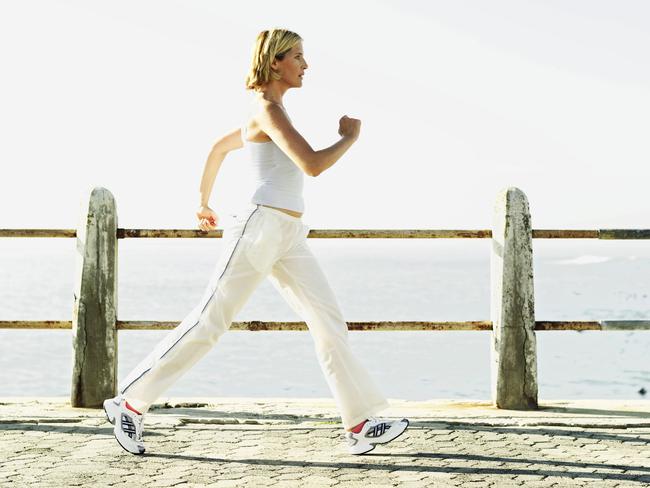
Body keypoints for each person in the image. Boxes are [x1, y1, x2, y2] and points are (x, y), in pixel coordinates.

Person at [103, 28, 409, 456]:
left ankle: (359, 424)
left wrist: (202, 201)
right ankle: (129, 403)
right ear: (275, 61)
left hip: (287, 234)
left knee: (328, 323)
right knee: (211, 319)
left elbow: (218, 148)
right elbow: (313, 165)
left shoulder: (268, 112)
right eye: (298, 56)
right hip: (259, 226)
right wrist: (348, 138)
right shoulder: (266, 108)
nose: (306, 65)